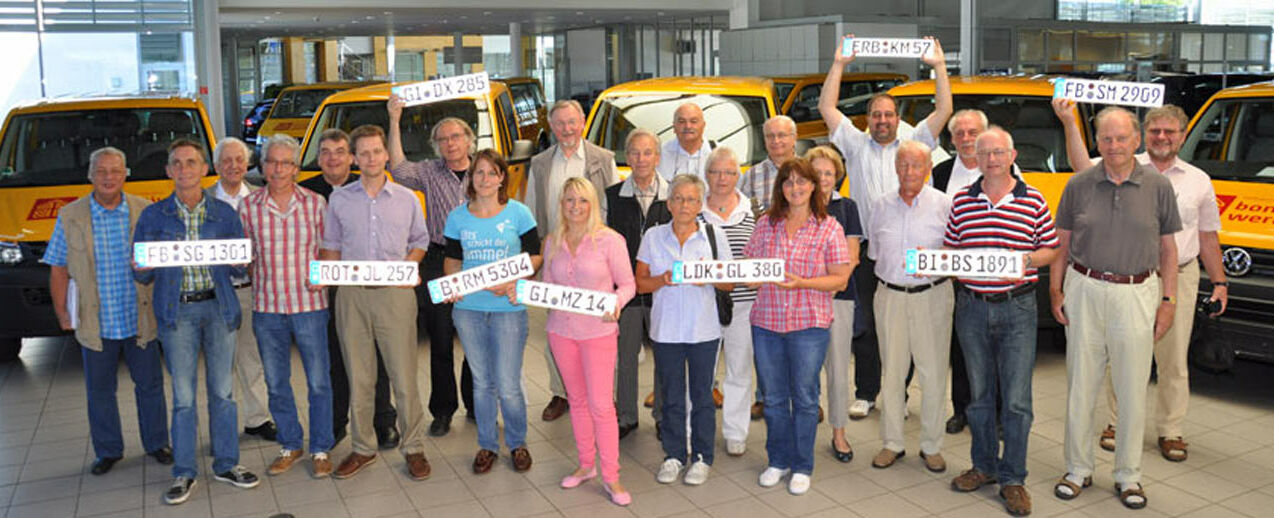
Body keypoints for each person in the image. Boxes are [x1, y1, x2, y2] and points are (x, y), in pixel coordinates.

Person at [1053, 99, 1227, 463]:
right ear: (1142, 137)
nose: (1162, 137)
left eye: (1170, 132)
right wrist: (1070, 121)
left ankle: (1170, 430)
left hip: (1173, 277)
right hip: (1115, 281)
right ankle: (1115, 423)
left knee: (1173, 358)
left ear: (1182, 137)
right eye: (1155, 131)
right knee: (1122, 361)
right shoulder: (1113, 165)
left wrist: (1219, 281)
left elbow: (1208, 236)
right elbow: (1080, 165)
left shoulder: (1196, 180)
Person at [1049, 107, 1181, 510]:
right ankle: (1077, 469)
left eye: (1121, 138)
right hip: (1085, 287)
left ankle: (1129, 475)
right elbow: (1062, 242)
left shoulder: (1158, 186)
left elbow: (1168, 249)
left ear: (1136, 140)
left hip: (1137, 292)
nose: (1113, 146)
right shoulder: (1079, 184)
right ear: (1098, 142)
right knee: (1081, 385)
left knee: (1131, 388)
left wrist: (1168, 301)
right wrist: (1055, 290)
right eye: (1105, 139)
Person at [819, 34, 953, 421]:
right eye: (875, 115)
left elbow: (944, 109)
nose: (882, 121)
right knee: (868, 327)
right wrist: (839, 63)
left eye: (888, 115)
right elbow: (828, 106)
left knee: (907, 326)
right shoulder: (855, 144)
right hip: (863, 250)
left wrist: (940, 67)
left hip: (908, 249)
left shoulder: (916, 141)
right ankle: (866, 391)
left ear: (898, 118)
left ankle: (902, 393)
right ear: (868, 120)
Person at [133, 139, 260, 505]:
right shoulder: (153, 217)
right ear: (169, 171)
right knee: (184, 398)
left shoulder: (224, 213)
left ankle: (226, 464)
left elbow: (239, 263)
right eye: (177, 163)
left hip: (219, 309)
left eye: (192, 162)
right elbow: (140, 272)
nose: (185, 169)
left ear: (204, 169)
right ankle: (184, 472)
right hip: (177, 312)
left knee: (223, 392)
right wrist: (141, 266)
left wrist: (242, 259)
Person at [944, 128, 1060, 516]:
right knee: (979, 396)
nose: (991, 160)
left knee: (1016, 400)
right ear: (974, 158)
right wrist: (941, 260)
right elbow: (950, 249)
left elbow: (1050, 250)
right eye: (984, 153)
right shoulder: (962, 201)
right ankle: (983, 466)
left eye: (998, 152)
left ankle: (1013, 478)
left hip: (1017, 308)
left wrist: (1026, 260)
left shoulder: (1033, 200)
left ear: (1012, 155)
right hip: (972, 307)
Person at [43, 147, 172, 476]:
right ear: (90, 175)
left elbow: (161, 262)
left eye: (115, 170)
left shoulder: (145, 211)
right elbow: (58, 268)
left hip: (139, 317)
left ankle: (157, 443)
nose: (108, 177)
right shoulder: (70, 215)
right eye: (101, 171)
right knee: (100, 391)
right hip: (94, 320)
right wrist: (62, 314)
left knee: (151, 386)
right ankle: (109, 450)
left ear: (126, 173)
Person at [320, 124, 432, 481]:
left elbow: (420, 240)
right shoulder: (339, 199)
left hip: (395, 297)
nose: (370, 158)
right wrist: (324, 276)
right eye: (363, 152)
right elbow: (332, 246)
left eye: (376, 151)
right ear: (354, 158)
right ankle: (363, 447)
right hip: (352, 298)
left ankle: (413, 447)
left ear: (386, 154)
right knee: (360, 377)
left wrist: (409, 267)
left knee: (403, 376)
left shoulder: (407, 199)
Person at [747, 158, 853, 495]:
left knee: (806, 398)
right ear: (781, 187)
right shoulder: (766, 224)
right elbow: (750, 269)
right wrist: (743, 276)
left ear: (814, 186)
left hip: (809, 325)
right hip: (766, 323)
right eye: (788, 182)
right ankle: (778, 460)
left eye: (802, 181)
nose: (795, 188)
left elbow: (840, 277)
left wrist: (803, 282)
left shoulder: (829, 227)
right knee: (775, 398)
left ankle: (802, 464)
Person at [238, 134, 335, 478]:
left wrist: (322, 274)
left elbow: (328, 249)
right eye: (271, 162)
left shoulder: (315, 204)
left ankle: (321, 447)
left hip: (309, 304)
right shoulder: (247, 207)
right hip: (267, 308)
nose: (278, 169)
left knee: (319, 381)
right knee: (277, 382)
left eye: (285, 162)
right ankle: (291, 444)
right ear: (262, 167)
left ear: (295, 167)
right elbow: (245, 257)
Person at [298, 128, 399, 449]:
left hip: (365, 286)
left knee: (377, 356)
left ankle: (383, 420)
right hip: (323, 289)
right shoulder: (305, 193)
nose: (332, 158)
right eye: (325, 152)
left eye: (340, 151)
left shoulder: (366, 188)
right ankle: (336, 422)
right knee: (334, 359)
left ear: (351, 157)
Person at [538, 177, 636, 506]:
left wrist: (615, 303)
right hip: (562, 331)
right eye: (569, 201)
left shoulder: (610, 240)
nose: (575, 207)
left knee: (600, 405)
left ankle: (611, 475)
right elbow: (548, 285)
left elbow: (628, 285)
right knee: (576, 401)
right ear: (561, 204)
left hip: (598, 332)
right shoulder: (553, 241)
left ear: (592, 204)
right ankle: (585, 464)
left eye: (582, 201)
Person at [442, 149, 540, 475]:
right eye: (478, 173)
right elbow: (453, 260)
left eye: (491, 173)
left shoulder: (519, 213)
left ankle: (517, 443)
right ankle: (487, 445)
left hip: (508, 308)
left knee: (509, 383)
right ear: (471, 178)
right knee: (482, 382)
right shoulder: (457, 217)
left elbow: (536, 256)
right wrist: (451, 283)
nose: (484, 179)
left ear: (502, 178)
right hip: (468, 309)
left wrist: (515, 279)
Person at [525, 99, 621, 421]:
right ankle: (560, 392)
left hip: (594, 257)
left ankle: (604, 394)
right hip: (556, 256)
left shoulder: (602, 159)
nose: (566, 129)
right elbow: (531, 211)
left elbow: (612, 208)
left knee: (599, 329)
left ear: (582, 123)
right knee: (557, 325)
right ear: (551, 127)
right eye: (559, 123)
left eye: (572, 122)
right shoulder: (539, 163)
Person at [636, 174, 731, 486]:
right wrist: (661, 279)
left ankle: (703, 456)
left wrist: (709, 277)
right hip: (666, 331)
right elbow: (640, 282)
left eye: (691, 199)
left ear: (700, 204)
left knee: (703, 395)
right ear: (668, 203)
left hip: (703, 330)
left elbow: (729, 282)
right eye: (678, 198)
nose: (684, 205)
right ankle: (674, 454)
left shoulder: (713, 235)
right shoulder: (653, 236)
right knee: (672, 396)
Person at [388, 98, 476, 437]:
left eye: (456, 136)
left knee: (474, 338)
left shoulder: (484, 169)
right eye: (443, 139)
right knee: (440, 339)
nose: (450, 143)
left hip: (476, 260)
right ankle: (442, 411)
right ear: (436, 145)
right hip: (439, 261)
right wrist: (395, 119)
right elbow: (397, 169)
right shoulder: (428, 171)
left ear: (468, 139)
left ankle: (476, 403)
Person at [867, 140, 954, 474]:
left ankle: (931, 445)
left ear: (928, 168)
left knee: (932, 373)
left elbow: (955, 252)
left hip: (932, 295)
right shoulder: (880, 205)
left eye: (916, 165)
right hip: (889, 296)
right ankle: (892, 443)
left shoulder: (945, 205)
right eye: (902, 164)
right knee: (892, 372)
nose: (908, 172)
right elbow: (875, 254)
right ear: (895, 168)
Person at [208, 137, 277, 443]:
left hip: (251, 290)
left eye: (239, 160)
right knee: (219, 363)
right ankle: (222, 427)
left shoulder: (263, 199)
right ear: (216, 166)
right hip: (215, 294)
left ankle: (257, 419)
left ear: (248, 163)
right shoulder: (203, 200)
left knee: (252, 358)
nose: (233, 166)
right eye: (226, 160)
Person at [606, 129, 672, 439]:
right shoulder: (612, 196)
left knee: (663, 353)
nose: (641, 159)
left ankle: (662, 413)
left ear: (658, 157)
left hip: (663, 289)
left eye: (648, 153)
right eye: (634, 152)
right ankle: (626, 416)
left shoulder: (673, 196)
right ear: (626, 156)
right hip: (626, 290)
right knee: (626, 354)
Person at [930, 109, 991, 435]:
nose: (967, 139)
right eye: (961, 133)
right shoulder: (939, 173)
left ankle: (992, 414)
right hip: (951, 275)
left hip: (990, 274)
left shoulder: (1000, 168)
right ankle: (961, 409)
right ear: (951, 139)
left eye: (973, 132)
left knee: (989, 347)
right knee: (959, 344)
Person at [803, 146, 863, 463]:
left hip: (839, 298)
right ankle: (803, 430)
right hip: (801, 298)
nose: (824, 178)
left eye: (829, 173)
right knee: (804, 370)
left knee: (838, 370)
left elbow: (853, 257)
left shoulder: (847, 207)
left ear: (836, 175)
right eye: (817, 172)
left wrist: (831, 283)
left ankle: (839, 433)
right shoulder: (797, 206)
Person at [700, 145, 759, 456]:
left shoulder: (755, 210)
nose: (722, 178)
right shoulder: (694, 210)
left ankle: (736, 432)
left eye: (729, 172)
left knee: (739, 370)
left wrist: (759, 275)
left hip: (744, 305)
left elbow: (765, 254)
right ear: (706, 174)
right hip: (703, 305)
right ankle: (699, 430)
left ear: (739, 175)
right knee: (701, 372)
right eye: (716, 171)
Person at [739, 115, 798, 212]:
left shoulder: (808, 170)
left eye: (781, 135)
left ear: (794, 137)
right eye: (770, 136)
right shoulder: (751, 176)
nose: (776, 141)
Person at [657, 102, 712, 180]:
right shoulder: (659, 155)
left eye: (693, 121)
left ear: (703, 126)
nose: (688, 126)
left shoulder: (719, 154)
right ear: (674, 127)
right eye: (682, 122)